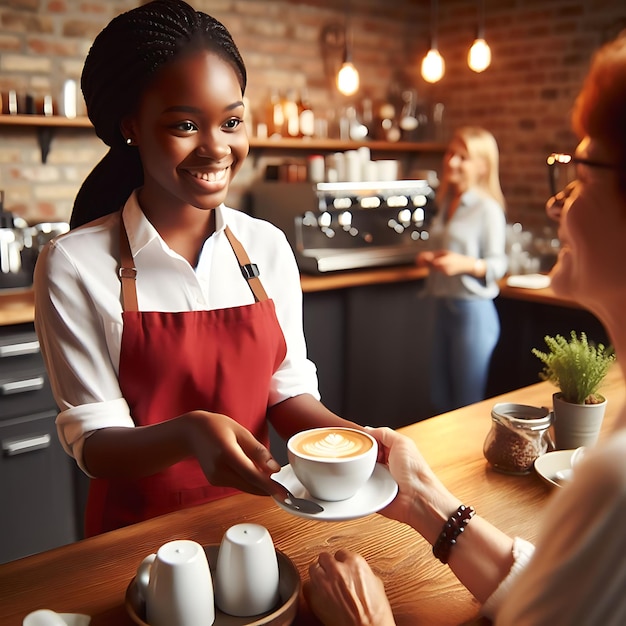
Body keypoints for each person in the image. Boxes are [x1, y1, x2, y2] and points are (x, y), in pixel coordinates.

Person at [305, 33, 626, 626]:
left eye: (579, 173)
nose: (558, 205)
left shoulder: (613, 481)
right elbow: (559, 604)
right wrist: (428, 501)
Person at [33, 0, 361, 536]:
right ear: (131, 127)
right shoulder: (73, 263)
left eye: (231, 121)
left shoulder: (267, 248)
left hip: (259, 521)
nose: (216, 148)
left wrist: (363, 440)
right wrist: (189, 434)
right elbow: (95, 444)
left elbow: (288, 393)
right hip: (134, 540)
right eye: (185, 124)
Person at [417, 126, 508, 414]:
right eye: (450, 153)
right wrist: (432, 258)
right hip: (441, 307)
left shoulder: (487, 209)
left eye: (462, 157)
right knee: (438, 398)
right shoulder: (447, 202)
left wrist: (465, 264)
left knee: (466, 403)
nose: (451, 162)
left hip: (472, 313)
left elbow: (499, 263)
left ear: (482, 166)